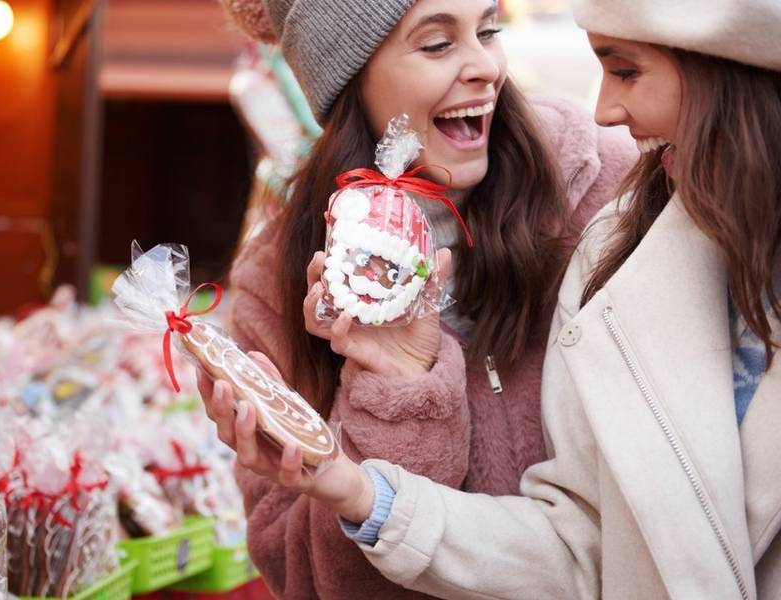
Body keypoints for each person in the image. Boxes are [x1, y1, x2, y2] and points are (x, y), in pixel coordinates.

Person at [211, 0, 781, 597]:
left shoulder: (612, 191)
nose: (486, 65)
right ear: (348, 78)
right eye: (437, 44)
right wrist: (396, 404)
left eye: (489, 30)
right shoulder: (283, 281)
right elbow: (307, 578)